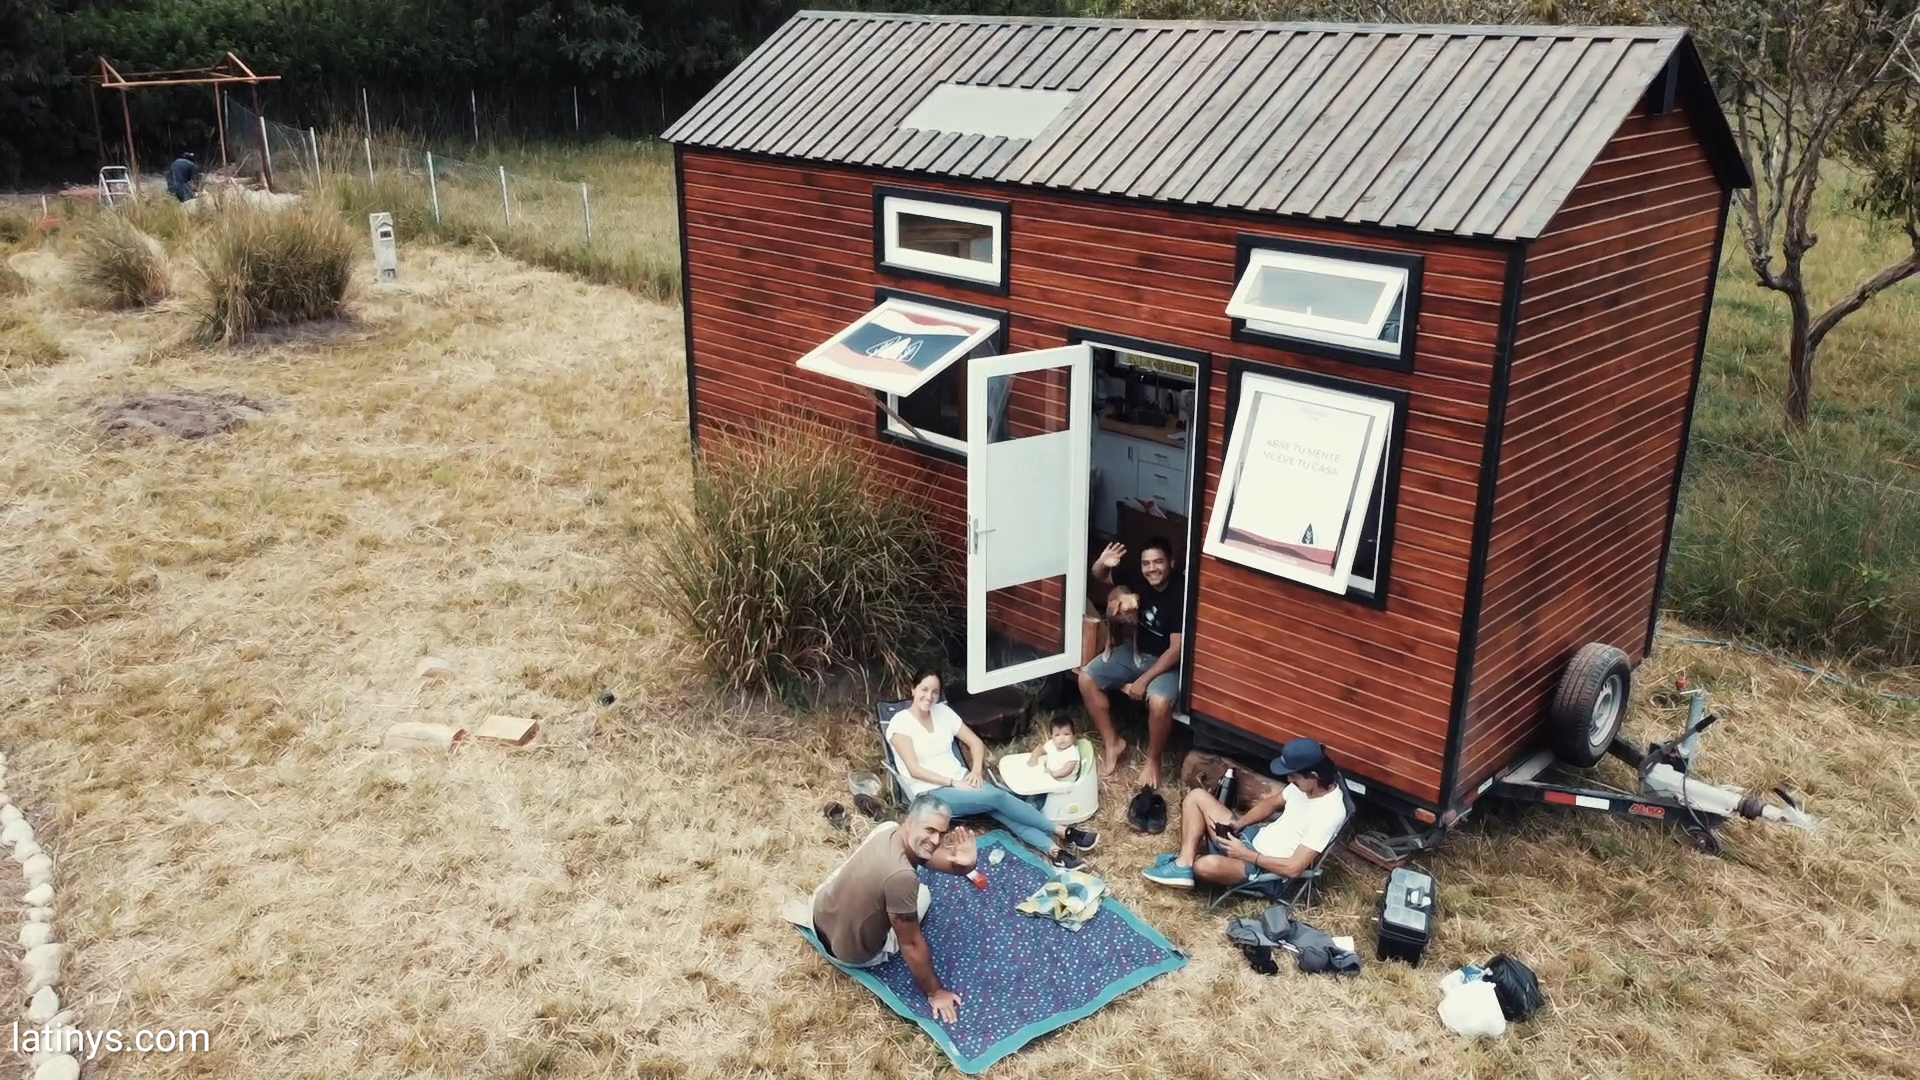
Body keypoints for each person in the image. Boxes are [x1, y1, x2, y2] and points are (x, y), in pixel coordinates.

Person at [888, 668, 1099, 870]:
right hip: (931, 792)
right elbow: (914, 769)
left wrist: (975, 771)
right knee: (998, 798)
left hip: (963, 780)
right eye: (924, 689)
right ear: (913, 689)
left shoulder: (943, 712)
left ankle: (1055, 852)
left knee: (999, 808)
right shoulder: (901, 723)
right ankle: (1062, 831)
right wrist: (953, 783)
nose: (929, 696)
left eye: (935, 691)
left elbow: (975, 743)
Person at [804, 793, 977, 1021]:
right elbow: (910, 943)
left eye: (942, 834)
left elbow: (927, 857)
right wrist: (935, 992)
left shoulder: (888, 829)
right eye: (930, 830)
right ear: (910, 821)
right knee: (922, 895)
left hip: (817, 912)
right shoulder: (902, 878)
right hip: (848, 953)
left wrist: (966, 865)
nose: (936, 840)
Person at [1142, 738, 1349, 892]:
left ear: (1313, 775)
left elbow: (1293, 868)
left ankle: (1190, 863)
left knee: (1204, 866)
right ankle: (1184, 863)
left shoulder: (1330, 813)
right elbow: (1271, 803)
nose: (1289, 780)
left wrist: (1246, 855)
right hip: (1252, 838)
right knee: (1197, 797)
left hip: (1266, 869)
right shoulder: (1304, 786)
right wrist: (1240, 823)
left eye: (1293, 776)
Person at [1079, 537, 1183, 787]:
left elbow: (1176, 650)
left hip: (1167, 664)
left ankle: (1153, 759)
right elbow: (1099, 575)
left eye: (1158, 562)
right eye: (1146, 563)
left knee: (1159, 702)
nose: (1152, 568)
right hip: (1135, 652)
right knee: (1086, 678)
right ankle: (1113, 743)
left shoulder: (1180, 592)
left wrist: (1143, 681)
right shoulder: (1138, 576)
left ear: (1170, 563)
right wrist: (1102, 563)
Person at [1026, 715, 1081, 780]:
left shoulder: (1072, 751)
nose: (1062, 738)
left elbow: (1068, 768)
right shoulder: (1051, 744)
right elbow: (1040, 749)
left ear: (1074, 736)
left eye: (1066, 734)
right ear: (1052, 736)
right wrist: (1034, 757)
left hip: (1063, 782)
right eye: (1057, 735)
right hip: (1049, 778)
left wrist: (1054, 774)